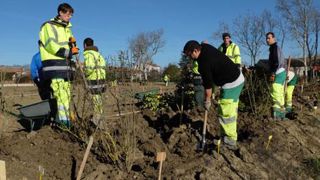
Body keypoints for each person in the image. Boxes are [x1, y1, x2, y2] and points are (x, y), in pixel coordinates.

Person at [183, 40, 244, 150]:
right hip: (236, 77)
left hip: (232, 82)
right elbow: (205, 43)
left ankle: (230, 141)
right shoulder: (205, 47)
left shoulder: (203, 64)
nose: (190, 58)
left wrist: (207, 101)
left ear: (196, 51)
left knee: (226, 112)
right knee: (228, 110)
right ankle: (226, 136)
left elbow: (208, 87)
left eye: (190, 55)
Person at [39, 3, 77, 128]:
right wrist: (68, 52)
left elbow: (69, 45)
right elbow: (51, 45)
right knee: (60, 93)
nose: (70, 16)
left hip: (65, 65)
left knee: (65, 93)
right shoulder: (49, 26)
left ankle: (64, 119)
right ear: (60, 12)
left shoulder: (67, 28)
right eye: (68, 14)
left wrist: (73, 47)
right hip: (55, 64)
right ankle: (63, 122)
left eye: (71, 14)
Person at [83, 38, 106, 123]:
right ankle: (99, 117)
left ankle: (97, 119)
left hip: (93, 80)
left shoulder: (89, 54)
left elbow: (89, 68)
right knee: (99, 100)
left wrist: (85, 72)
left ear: (85, 45)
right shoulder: (99, 55)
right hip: (101, 80)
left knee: (95, 101)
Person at [266, 32, 288, 120]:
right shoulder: (275, 48)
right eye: (267, 38)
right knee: (280, 93)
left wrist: (272, 73)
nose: (267, 40)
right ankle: (282, 114)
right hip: (281, 72)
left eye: (269, 38)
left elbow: (275, 62)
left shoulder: (274, 48)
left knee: (275, 92)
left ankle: (277, 115)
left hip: (278, 72)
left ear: (274, 38)